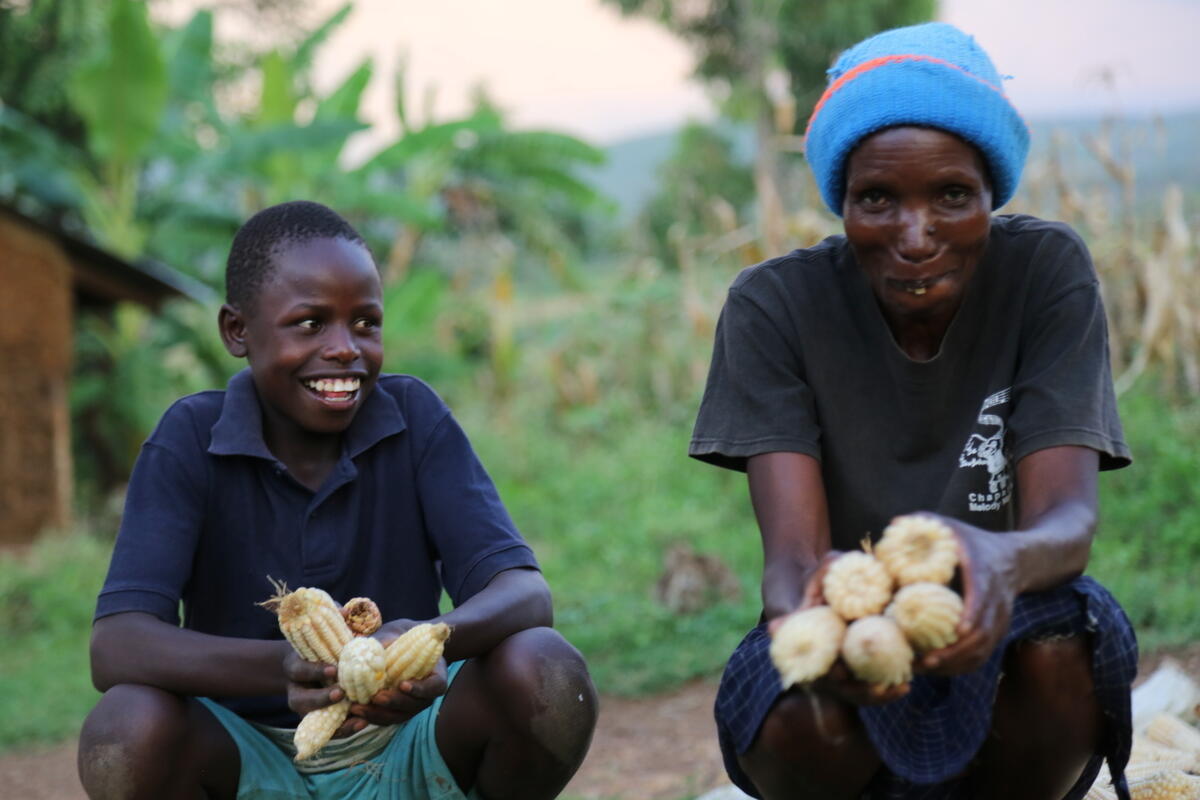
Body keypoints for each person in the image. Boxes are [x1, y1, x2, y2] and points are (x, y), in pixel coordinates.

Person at [689, 22, 1138, 800]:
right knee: (797, 713)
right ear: (843, 201)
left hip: (1008, 611)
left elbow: (1067, 523)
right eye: (877, 200)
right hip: (851, 620)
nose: (917, 235)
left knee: (1062, 643)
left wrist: (1001, 560)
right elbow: (793, 566)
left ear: (992, 194)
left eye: (953, 197)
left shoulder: (1044, 274)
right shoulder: (775, 307)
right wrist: (828, 625)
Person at [78, 200, 598, 800]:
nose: (346, 348)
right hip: (243, 754)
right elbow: (116, 645)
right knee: (125, 729)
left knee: (546, 670)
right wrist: (284, 667)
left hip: (409, 746)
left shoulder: (413, 420)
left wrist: (427, 638)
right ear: (237, 331)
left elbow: (526, 593)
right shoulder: (190, 440)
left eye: (365, 323)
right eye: (310, 323)